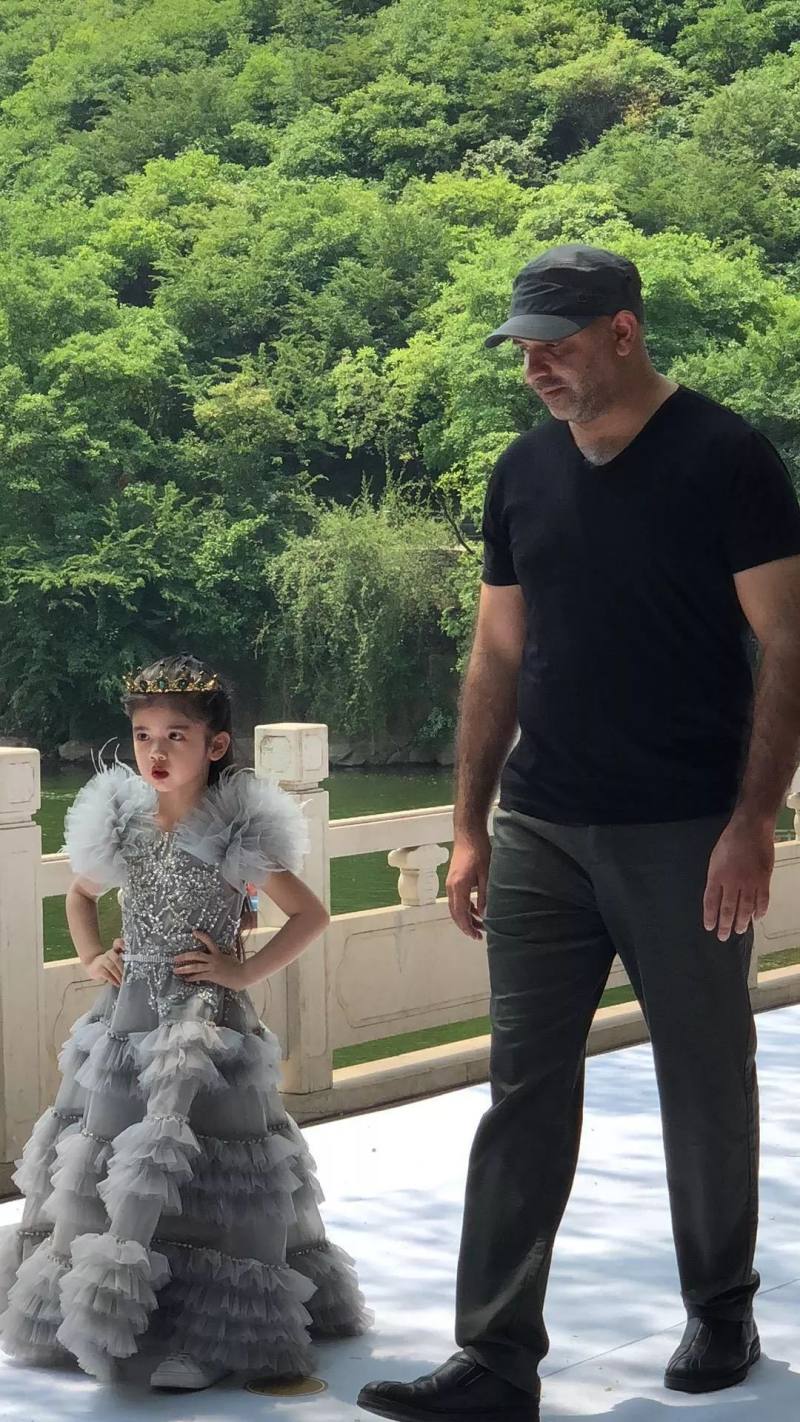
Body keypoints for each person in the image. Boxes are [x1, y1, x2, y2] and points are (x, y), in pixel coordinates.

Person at [358, 244, 800, 1422]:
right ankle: (493, 1355)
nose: (534, 368)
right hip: (541, 827)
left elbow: (786, 643)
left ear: (622, 330)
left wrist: (750, 820)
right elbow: (495, 654)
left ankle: (719, 1304)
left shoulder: (725, 458)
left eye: (553, 345)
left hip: (684, 827)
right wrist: (468, 825)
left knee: (701, 1076)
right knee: (521, 1088)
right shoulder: (521, 472)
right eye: (521, 350)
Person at [0, 653, 369, 1390]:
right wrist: (91, 955)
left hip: (209, 1026)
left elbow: (310, 915)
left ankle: (208, 1338)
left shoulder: (234, 834)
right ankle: (122, 1317)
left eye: (177, 735)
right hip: (128, 1021)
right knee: (115, 1162)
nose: (157, 751)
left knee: (216, 1173)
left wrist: (242, 972)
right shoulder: (127, 826)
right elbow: (78, 895)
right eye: (143, 736)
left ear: (216, 745)